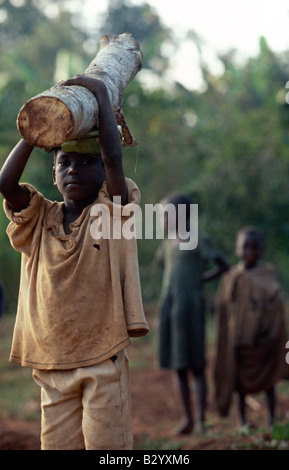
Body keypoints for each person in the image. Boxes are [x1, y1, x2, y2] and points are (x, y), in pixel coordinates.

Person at [0, 75, 149, 450]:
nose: (73, 171)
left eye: (86, 163)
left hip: (101, 359)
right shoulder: (38, 218)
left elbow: (114, 158)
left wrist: (100, 93)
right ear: (52, 174)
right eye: (64, 163)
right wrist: (39, 123)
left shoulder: (108, 212)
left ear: (101, 174)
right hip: (51, 363)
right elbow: (5, 183)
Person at [155, 193, 229, 435]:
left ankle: (201, 421)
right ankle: (187, 419)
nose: (163, 219)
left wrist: (200, 281)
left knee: (196, 365)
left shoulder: (197, 239)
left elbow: (223, 265)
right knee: (178, 366)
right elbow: (165, 269)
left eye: (166, 215)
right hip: (171, 308)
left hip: (192, 309)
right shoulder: (166, 244)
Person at [214, 225, 288, 430]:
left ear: (261, 250)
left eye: (254, 248)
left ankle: (272, 419)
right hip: (239, 342)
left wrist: (266, 329)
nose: (249, 252)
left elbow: (276, 306)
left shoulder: (267, 274)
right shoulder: (231, 276)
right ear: (237, 249)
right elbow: (223, 307)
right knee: (239, 384)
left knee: (269, 381)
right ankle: (242, 421)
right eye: (245, 247)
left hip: (264, 341)